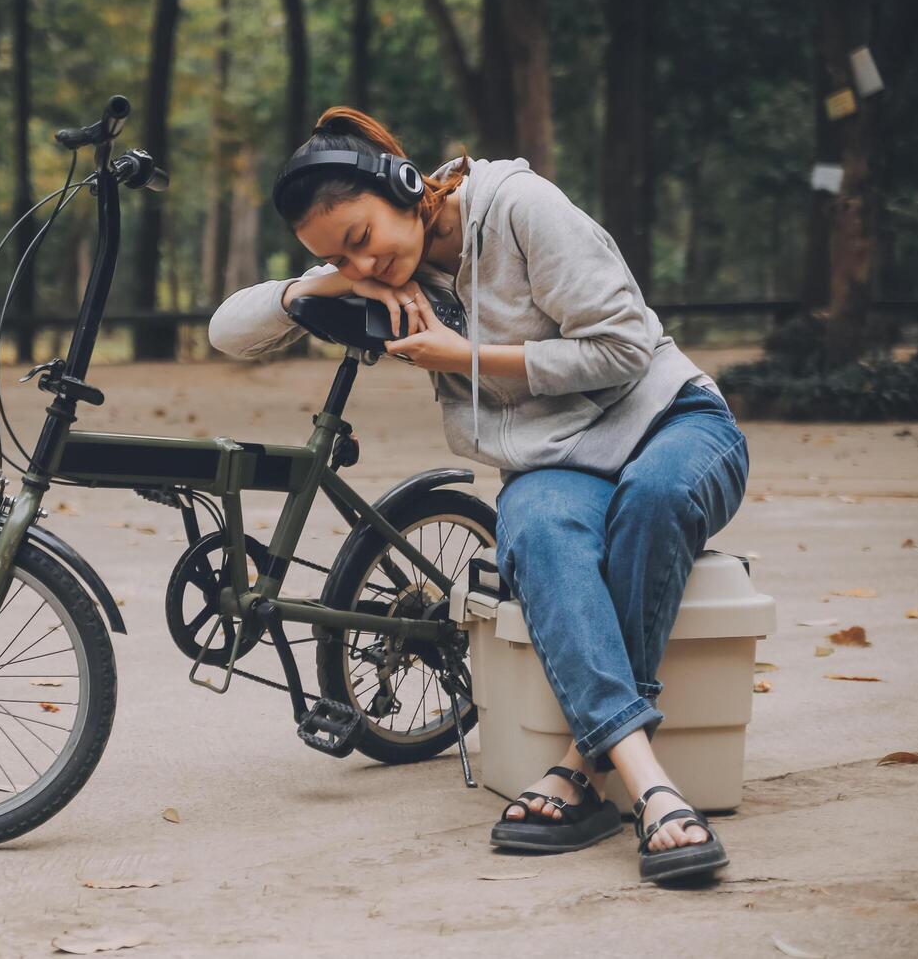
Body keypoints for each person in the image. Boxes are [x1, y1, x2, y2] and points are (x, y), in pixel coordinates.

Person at [207, 107, 750, 885]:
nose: (362, 264)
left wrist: (467, 357)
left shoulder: (523, 211)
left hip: (673, 423)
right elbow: (230, 332)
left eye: (360, 238)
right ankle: (648, 781)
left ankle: (582, 768)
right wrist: (318, 281)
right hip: (556, 465)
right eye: (340, 256)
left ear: (405, 187)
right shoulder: (384, 278)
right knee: (534, 530)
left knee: (652, 500)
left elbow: (625, 344)